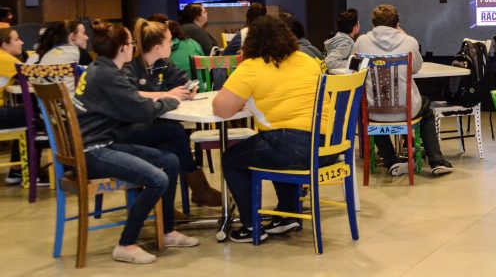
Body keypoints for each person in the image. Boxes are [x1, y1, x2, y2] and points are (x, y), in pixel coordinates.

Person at [74, 20, 198, 264]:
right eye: (131, 42)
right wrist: (172, 100)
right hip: (94, 150)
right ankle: (126, 243)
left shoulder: (99, 68)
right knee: (157, 178)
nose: (134, 46)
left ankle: (167, 230)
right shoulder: (109, 76)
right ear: (123, 49)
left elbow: (133, 105)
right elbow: (140, 111)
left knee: (170, 161)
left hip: (101, 142)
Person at [213, 15, 328, 242]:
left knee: (233, 159)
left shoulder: (252, 68)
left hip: (292, 148)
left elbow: (221, 110)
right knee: (271, 144)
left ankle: (250, 225)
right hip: (327, 148)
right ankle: (288, 214)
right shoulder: (307, 61)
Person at [117, 18, 222, 208]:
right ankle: (198, 189)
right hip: (129, 129)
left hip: (153, 125)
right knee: (175, 132)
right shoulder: (131, 67)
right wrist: (166, 94)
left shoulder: (164, 65)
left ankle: (162, 208)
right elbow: (130, 94)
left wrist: (189, 89)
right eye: (168, 41)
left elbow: (182, 81)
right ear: (157, 47)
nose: (172, 44)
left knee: (172, 143)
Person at [352, 4, 453, 176]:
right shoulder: (409, 41)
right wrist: (403, 34)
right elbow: (416, 67)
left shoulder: (361, 41)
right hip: (406, 111)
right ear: (397, 23)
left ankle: (391, 160)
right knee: (426, 108)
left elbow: (354, 68)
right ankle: (436, 160)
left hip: (374, 112)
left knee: (371, 109)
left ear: (373, 23)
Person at [0, 28, 49, 186]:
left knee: (27, 116)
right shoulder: (6, 59)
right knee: (33, 118)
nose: (21, 42)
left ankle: (16, 171)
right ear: (4, 45)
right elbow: (33, 77)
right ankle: (31, 173)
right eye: (16, 39)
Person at [27, 20, 93, 66]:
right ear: (73, 36)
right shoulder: (81, 54)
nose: (87, 37)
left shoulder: (45, 55)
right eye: (84, 33)